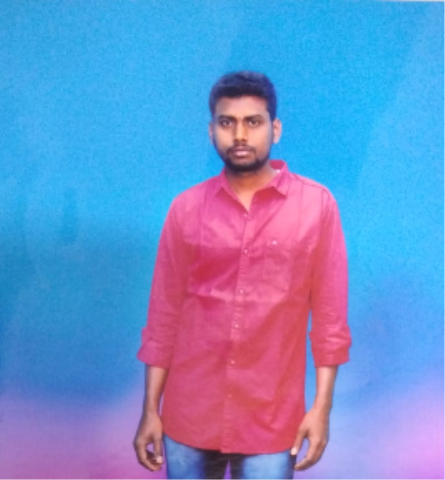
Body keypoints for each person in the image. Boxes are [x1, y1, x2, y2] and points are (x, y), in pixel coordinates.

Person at [133, 71, 352, 480]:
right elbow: (164, 318)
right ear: (211, 130)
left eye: (253, 122)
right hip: (189, 416)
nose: (239, 135)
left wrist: (321, 409)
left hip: (271, 419)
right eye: (227, 122)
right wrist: (150, 410)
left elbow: (329, 322)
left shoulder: (316, 207)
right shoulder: (186, 209)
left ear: (275, 129)